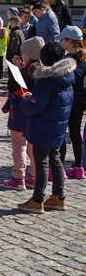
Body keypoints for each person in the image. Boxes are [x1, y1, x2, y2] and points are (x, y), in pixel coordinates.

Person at [17, 42, 75, 214]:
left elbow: (35, 107)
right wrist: (34, 97)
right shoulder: (67, 77)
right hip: (58, 126)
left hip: (43, 126)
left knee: (41, 161)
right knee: (55, 159)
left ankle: (37, 200)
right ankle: (59, 196)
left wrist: (26, 102)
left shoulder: (46, 80)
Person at [3, 37, 43, 190]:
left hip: (20, 113)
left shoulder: (27, 72)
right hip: (34, 114)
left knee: (19, 146)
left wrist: (16, 71)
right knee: (32, 146)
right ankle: (34, 175)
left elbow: (13, 87)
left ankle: (18, 177)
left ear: (30, 54)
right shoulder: (38, 70)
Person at [56, 26, 86, 179]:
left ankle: (60, 168)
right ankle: (79, 168)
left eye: (62, 40)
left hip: (67, 99)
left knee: (61, 133)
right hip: (80, 100)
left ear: (69, 42)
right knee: (75, 132)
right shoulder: (84, 59)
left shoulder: (65, 60)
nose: (60, 42)